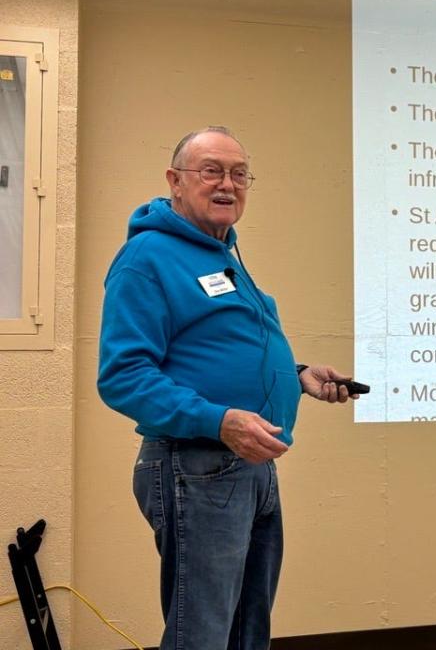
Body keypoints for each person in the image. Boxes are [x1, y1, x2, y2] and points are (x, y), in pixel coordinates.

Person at [97, 126, 356, 650]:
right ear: (174, 180)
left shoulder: (223, 255)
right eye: (211, 170)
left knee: (247, 633)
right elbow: (122, 375)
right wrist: (219, 420)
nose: (227, 185)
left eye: (239, 174)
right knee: (204, 636)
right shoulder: (147, 258)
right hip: (197, 464)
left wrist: (297, 375)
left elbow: (221, 347)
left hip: (250, 467)